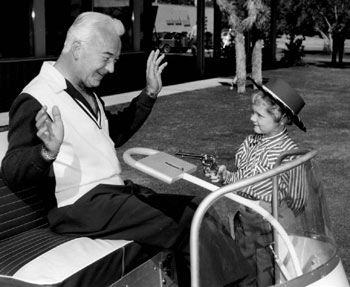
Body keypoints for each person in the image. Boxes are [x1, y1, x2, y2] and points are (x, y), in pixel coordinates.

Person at [1, 12, 252, 287]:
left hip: (110, 196)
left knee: (195, 207)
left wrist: (149, 94)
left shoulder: (86, 92)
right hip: (80, 205)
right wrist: (46, 152)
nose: (111, 69)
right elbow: (13, 169)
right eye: (107, 57)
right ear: (76, 49)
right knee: (186, 219)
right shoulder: (36, 97)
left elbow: (114, 131)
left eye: (115, 61)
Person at [207, 78, 308, 286]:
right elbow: (241, 179)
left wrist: (276, 218)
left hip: (270, 229)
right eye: (253, 112)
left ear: (281, 118)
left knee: (268, 275)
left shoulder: (289, 154)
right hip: (245, 222)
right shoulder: (251, 142)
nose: (252, 118)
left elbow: (298, 199)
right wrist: (224, 175)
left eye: (259, 115)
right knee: (243, 272)